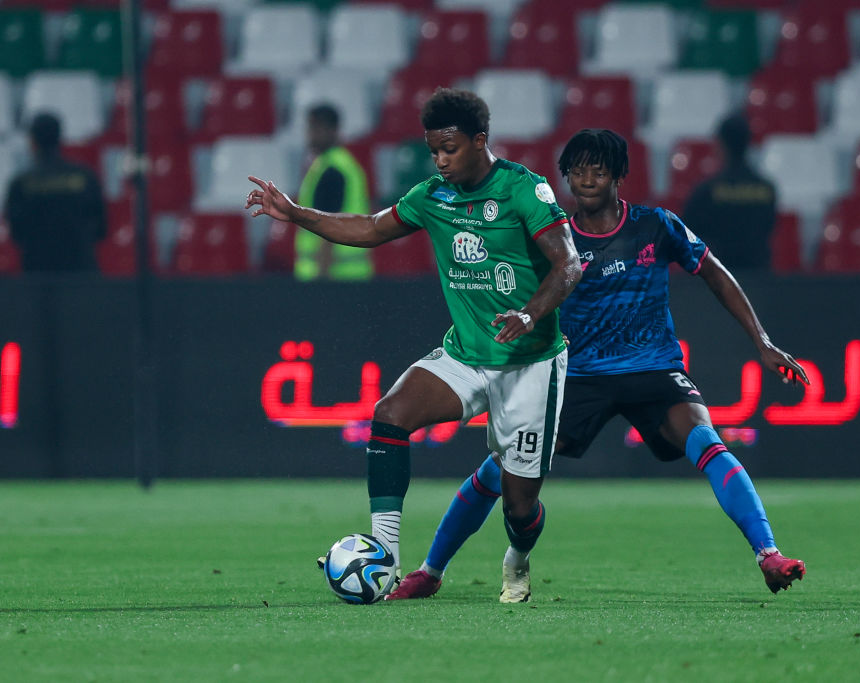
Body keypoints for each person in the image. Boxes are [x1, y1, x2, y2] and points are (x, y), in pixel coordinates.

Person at [388, 129, 807, 603]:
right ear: (566, 177)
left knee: (708, 441)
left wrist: (762, 340)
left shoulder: (655, 226)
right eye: (577, 170)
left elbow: (714, 271)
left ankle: (768, 553)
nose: (587, 179)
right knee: (501, 469)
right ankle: (431, 570)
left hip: (653, 371)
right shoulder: (551, 237)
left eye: (598, 169)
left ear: (618, 176)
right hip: (577, 377)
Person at [247, 88, 582, 602]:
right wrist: (296, 214)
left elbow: (569, 266)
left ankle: (517, 558)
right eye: (434, 151)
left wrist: (528, 312)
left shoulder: (523, 190)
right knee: (389, 414)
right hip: (467, 354)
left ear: (479, 141)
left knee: (519, 508)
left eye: (450, 148)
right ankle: (385, 556)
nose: (441, 160)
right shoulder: (432, 196)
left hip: (530, 362)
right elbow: (369, 228)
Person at [4, 112, 106, 272]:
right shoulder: (85, 176)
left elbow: (16, 233)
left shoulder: (21, 183)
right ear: (60, 138)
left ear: (32, 141)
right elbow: (101, 228)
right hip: (80, 272)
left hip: (38, 275)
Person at [681, 112, 776, 272]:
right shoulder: (767, 190)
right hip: (759, 280)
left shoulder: (707, 191)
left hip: (720, 281)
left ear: (721, 145)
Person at [294, 103, 373, 281]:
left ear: (333, 130)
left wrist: (321, 281)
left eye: (317, 127)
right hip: (352, 277)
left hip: (333, 278)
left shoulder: (332, 170)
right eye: (310, 127)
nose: (311, 134)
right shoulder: (344, 164)